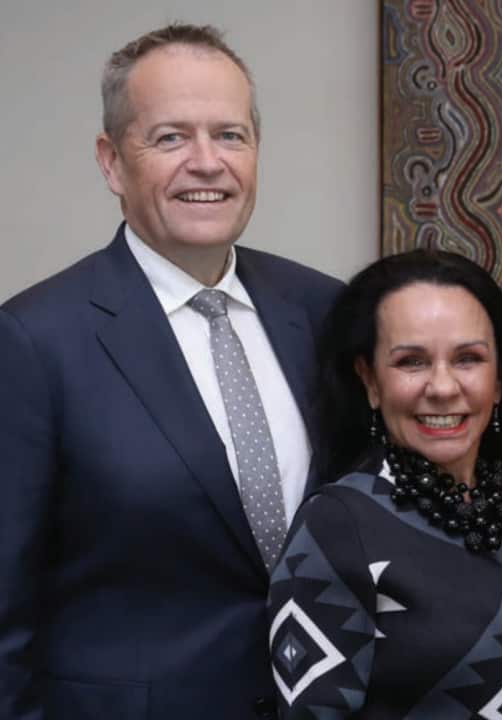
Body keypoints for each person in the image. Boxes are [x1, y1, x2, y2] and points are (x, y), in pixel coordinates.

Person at [0, 24, 342, 719]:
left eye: (231, 135)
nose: (207, 162)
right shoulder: (34, 341)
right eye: (170, 138)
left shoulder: (324, 310)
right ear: (111, 162)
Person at [267, 249, 502, 717]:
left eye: (468, 359)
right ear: (370, 381)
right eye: (412, 362)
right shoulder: (336, 525)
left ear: (498, 380)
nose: (442, 386)